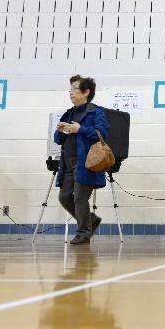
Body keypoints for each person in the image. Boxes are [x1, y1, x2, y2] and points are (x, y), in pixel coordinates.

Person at [54, 75, 110, 245]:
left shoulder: (96, 111)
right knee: (64, 197)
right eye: (70, 89)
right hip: (68, 163)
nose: (70, 93)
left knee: (79, 197)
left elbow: (102, 134)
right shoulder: (68, 113)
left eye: (74, 89)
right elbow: (58, 139)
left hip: (86, 163)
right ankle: (90, 220)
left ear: (86, 92)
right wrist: (61, 130)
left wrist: (80, 129)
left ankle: (83, 233)